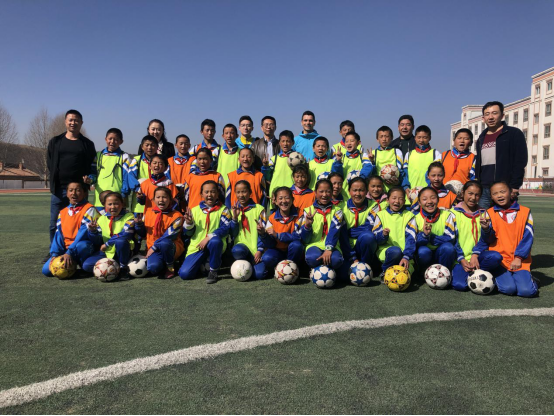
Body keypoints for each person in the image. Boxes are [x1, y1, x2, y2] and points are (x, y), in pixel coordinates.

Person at [45, 110, 96, 262]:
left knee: (81, 224)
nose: (73, 122)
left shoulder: (87, 144)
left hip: (80, 191)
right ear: (65, 122)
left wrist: (89, 179)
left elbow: (92, 166)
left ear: (81, 123)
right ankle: (54, 251)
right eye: (70, 120)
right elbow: (50, 162)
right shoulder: (55, 141)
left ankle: (78, 251)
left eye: (76, 120)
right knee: (54, 224)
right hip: (59, 189)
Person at [473, 181, 537, 297]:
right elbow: (488, 240)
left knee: (526, 292)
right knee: (509, 289)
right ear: (491, 197)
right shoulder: (489, 213)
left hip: (519, 261)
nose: (499, 195)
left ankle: (530, 280)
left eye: (503, 192)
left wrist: (518, 258)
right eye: (495, 193)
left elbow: (528, 238)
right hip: (500, 262)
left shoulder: (525, 212)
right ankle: (507, 278)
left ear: (511, 192)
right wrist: (486, 229)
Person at [450, 181, 503, 291]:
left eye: (477, 195)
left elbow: (488, 240)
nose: (473, 198)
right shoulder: (452, 213)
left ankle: (478, 272)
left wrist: (486, 230)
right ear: (463, 193)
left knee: (496, 257)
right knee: (460, 285)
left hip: (478, 257)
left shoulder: (484, 214)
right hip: (460, 259)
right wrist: (461, 259)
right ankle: (465, 272)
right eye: (470, 193)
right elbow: (452, 240)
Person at [475, 101, 528, 209]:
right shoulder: (481, 138)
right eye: (487, 114)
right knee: (483, 218)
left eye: (494, 113)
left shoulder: (514, 134)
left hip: (504, 188)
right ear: (483, 118)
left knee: (505, 218)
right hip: (484, 189)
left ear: (502, 115)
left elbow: (520, 161)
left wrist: (515, 185)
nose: (490, 117)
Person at [179, 181, 232, 284]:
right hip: (197, 246)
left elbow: (226, 228)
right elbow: (188, 233)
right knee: (185, 274)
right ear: (201, 194)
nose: (209, 195)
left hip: (214, 245)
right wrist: (189, 223)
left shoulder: (224, 210)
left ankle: (213, 271)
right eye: (206, 192)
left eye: (213, 192)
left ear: (217, 193)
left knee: (215, 241)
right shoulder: (194, 210)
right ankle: (203, 264)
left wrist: (209, 237)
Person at [42, 181, 98, 276]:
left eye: (78, 190)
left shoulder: (90, 209)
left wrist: (69, 252)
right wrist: (55, 254)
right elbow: (58, 234)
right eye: (71, 190)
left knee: (82, 245)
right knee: (46, 271)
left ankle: (82, 263)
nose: (73, 193)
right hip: (67, 248)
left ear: (85, 193)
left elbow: (83, 234)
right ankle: (72, 265)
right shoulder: (63, 212)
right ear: (67, 194)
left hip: (82, 247)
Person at [83, 192, 136, 279]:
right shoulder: (101, 219)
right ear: (104, 205)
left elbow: (125, 234)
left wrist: (107, 244)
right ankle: (114, 267)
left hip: (123, 251)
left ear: (122, 204)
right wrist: (93, 231)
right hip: (107, 252)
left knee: (120, 241)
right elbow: (98, 240)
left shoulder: (129, 216)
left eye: (116, 204)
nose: (113, 207)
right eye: (110, 204)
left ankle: (123, 268)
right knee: (87, 265)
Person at [136, 187, 184, 279]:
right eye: (158, 197)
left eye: (164, 197)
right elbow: (143, 234)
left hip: (171, 247)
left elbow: (169, 236)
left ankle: (170, 266)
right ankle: (163, 264)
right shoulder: (148, 213)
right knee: (153, 268)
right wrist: (139, 225)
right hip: (153, 249)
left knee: (164, 243)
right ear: (153, 200)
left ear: (170, 199)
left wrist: (154, 247)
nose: (161, 200)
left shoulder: (177, 216)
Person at [300, 179, 345, 273]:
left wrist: (329, 249)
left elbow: (334, 231)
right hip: (313, 245)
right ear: (315, 193)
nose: (324, 195)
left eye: (328, 191)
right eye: (321, 191)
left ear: (332, 193)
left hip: (333, 246)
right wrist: (307, 226)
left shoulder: (338, 211)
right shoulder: (307, 211)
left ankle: (329, 272)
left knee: (336, 260)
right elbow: (305, 240)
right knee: (312, 258)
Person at [373, 187, 417, 278]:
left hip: (405, 255)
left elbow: (411, 239)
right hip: (388, 252)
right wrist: (383, 235)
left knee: (404, 277)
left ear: (404, 201)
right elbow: (377, 239)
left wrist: (406, 256)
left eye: (400, 199)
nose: (397, 201)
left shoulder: (409, 216)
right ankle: (385, 271)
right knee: (395, 251)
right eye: (394, 198)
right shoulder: (380, 215)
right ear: (387, 200)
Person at [260, 187, 304, 273]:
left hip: (293, 250)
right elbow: (271, 244)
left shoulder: (300, 214)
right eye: (280, 198)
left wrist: (278, 235)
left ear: (292, 200)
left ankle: (293, 268)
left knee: (296, 245)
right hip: (278, 250)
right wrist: (263, 234)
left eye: (287, 198)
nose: (283, 201)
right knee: (267, 258)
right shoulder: (272, 218)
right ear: (275, 201)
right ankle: (278, 269)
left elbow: (298, 237)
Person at [229, 181, 268, 280]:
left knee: (260, 275)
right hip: (241, 247)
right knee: (237, 250)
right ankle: (245, 263)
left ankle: (254, 265)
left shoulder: (259, 209)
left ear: (250, 192)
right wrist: (235, 218)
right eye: (238, 192)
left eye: (244, 191)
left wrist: (260, 250)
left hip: (256, 249)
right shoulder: (233, 210)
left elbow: (263, 233)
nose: (241, 195)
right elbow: (233, 233)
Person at [414, 187, 457, 272]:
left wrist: (430, 237)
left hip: (441, 252)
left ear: (438, 199)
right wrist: (424, 235)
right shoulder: (415, 218)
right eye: (424, 199)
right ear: (419, 202)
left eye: (433, 198)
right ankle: (423, 272)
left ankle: (445, 273)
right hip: (425, 253)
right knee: (423, 251)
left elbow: (450, 238)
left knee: (448, 248)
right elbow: (414, 242)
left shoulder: (447, 215)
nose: (429, 201)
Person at [341, 177, 378, 268]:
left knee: (368, 237)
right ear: (349, 191)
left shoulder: (374, 206)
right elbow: (341, 235)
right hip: (345, 246)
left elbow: (369, 228)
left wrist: (348, 232)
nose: (358, 194)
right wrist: (352, 257)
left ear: (366, 191)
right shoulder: (341, 207)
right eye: (355, 190)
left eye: (361, 190)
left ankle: (366, 266)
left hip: (363, 245)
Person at [91, 128, 132, 209]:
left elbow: (126, 178)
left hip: (117, 199)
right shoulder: (98, 156)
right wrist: (90, 179)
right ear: (105, 139)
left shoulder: (124, 157)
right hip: (99, 200)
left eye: (116, 139)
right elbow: (93, 174)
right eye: (110, 139)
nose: (112, 141)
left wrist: (123, 194)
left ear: (121, 142)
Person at [403, 125, 441, 190]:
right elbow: (405, 173)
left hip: (428, 193)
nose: (421, 140)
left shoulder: (435, 153)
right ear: (415, 138)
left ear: (430, 138)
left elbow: (437, 173)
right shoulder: (409, 154)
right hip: (411, 192)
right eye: (419, 137)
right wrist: (406, 187)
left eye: (425, 137)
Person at [369, 126, 406, 193]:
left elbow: (401, 171)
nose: (384, 139)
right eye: (381, 136)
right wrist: (372, 161)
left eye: (386, 136)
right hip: (378, 191)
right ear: (377, 139)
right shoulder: (373, 153)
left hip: (393, 190)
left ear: (391, 138)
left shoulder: (397, 152)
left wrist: (398, 181)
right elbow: (371, 173)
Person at [128, 136, 159, 216]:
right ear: (142, 147)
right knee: (139, 223)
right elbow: (131, 177)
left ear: (157, 147)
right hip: (139, 203)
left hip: (157, 201)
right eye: (147, 145)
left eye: (152, 145)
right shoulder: (136, 160)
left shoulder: (161, 161)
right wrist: (138, 190)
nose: (150, 147)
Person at [263, 130, 295, 204]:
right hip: (275, 193)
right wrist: (265, 167)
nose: (285, 144)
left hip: (291, 192)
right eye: (283, 141)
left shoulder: (297, 159)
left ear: (293, 143)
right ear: (279, 143)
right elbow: (267, 177)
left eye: (288, 141)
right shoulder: (274, 159)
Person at [217, 124, 240, 189]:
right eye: (226, 133)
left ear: (237, 136)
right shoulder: (217, 151)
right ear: (223, 136)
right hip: (220, 186)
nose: (229, 136)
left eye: (232, 133)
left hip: (236, 186)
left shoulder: (241, 152)